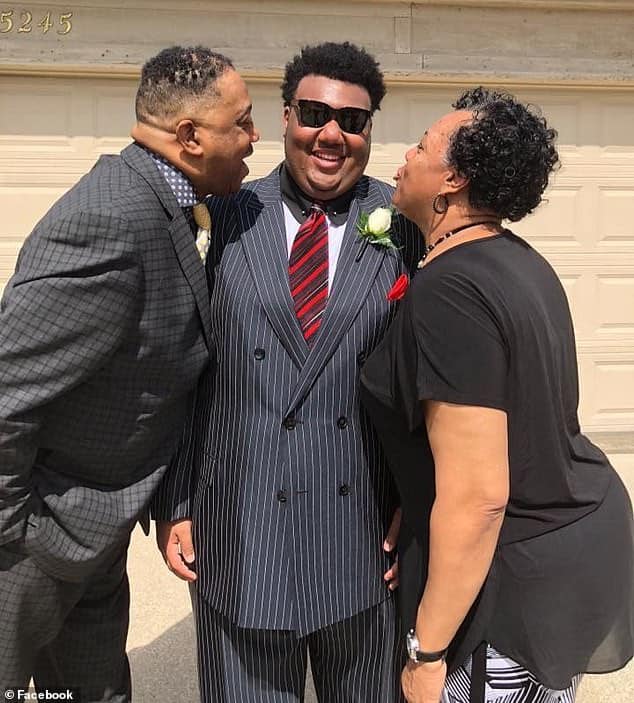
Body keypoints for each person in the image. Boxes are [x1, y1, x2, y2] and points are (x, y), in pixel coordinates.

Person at [154, 41, 423, 702]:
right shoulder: (220, 214)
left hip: (362, 536)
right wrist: (178, 501)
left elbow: (428, 380)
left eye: (352, 121)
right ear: (284, 118)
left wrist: (419, 503)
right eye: (313, 114)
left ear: (368, 131)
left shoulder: (403, 224)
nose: (331, 134)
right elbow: (184, 370)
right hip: (240, 529)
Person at [0, 45, 259, 701]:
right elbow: (6, 393)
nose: (256, 138)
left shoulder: (170, 204)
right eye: (242, 123)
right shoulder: (110, 219)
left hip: (90, 541)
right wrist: (18, 535)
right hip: (31, 548)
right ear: (190, 136)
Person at [359, 86, 634, 703]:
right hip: (570, 537)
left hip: (512, 582)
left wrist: (427, 653)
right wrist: (419, 496)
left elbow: (479, 498)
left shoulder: (450, 290)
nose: (404, 157)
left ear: (452, 180)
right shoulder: (515, 261)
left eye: (422, 146)